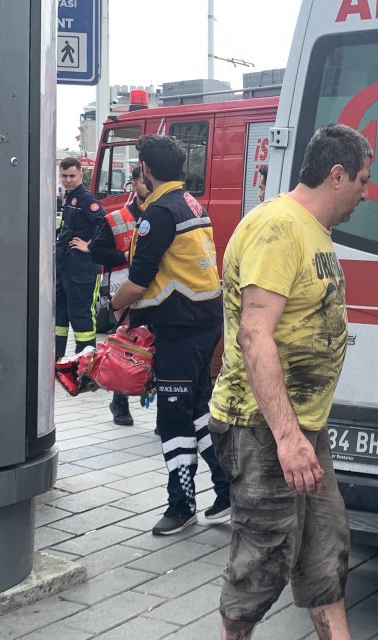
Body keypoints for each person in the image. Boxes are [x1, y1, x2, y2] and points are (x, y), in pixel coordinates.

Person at [208, 123, 372, 640]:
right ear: (337, 175)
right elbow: (255, 335)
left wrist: (300, 435)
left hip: (302, 429)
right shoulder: (277, 227)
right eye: (363, 181)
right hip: (261, 429)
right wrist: (286, 437)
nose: (366, 194)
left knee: (326, 553)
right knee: (261, 565)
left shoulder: (312, 230)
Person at [111, 135, 230, 536]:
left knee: (174, 417)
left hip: (180, 328)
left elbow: (138, 281)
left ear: (145, 168)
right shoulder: (192, 204)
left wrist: (110, 307)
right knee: (198, 410)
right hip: (204, 322)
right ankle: (228, 491)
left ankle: (181, 505)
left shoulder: (159, 213)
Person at [74, 164, 146, 426]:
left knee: (158, 348)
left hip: (156, 290)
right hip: (122, 291)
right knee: (127, 347)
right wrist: (125, 255)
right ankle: (120, 401)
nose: (149, 187)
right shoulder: (115, 218)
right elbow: (97, 252)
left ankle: (161, 408)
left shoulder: (163, 214)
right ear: (133, 184)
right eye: (143, 182)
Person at [55, 156, 104, 360]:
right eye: (64, 176)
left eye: (72, 176)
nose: (68, 180)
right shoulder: (70, 198)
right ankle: (56, 360)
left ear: (80, 175)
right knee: (59, 316)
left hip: (83, 270)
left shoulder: (86, 199)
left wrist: (89, 246)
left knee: (81, 316)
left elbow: (103, 224)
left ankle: (85, 364)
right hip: (66, 267)